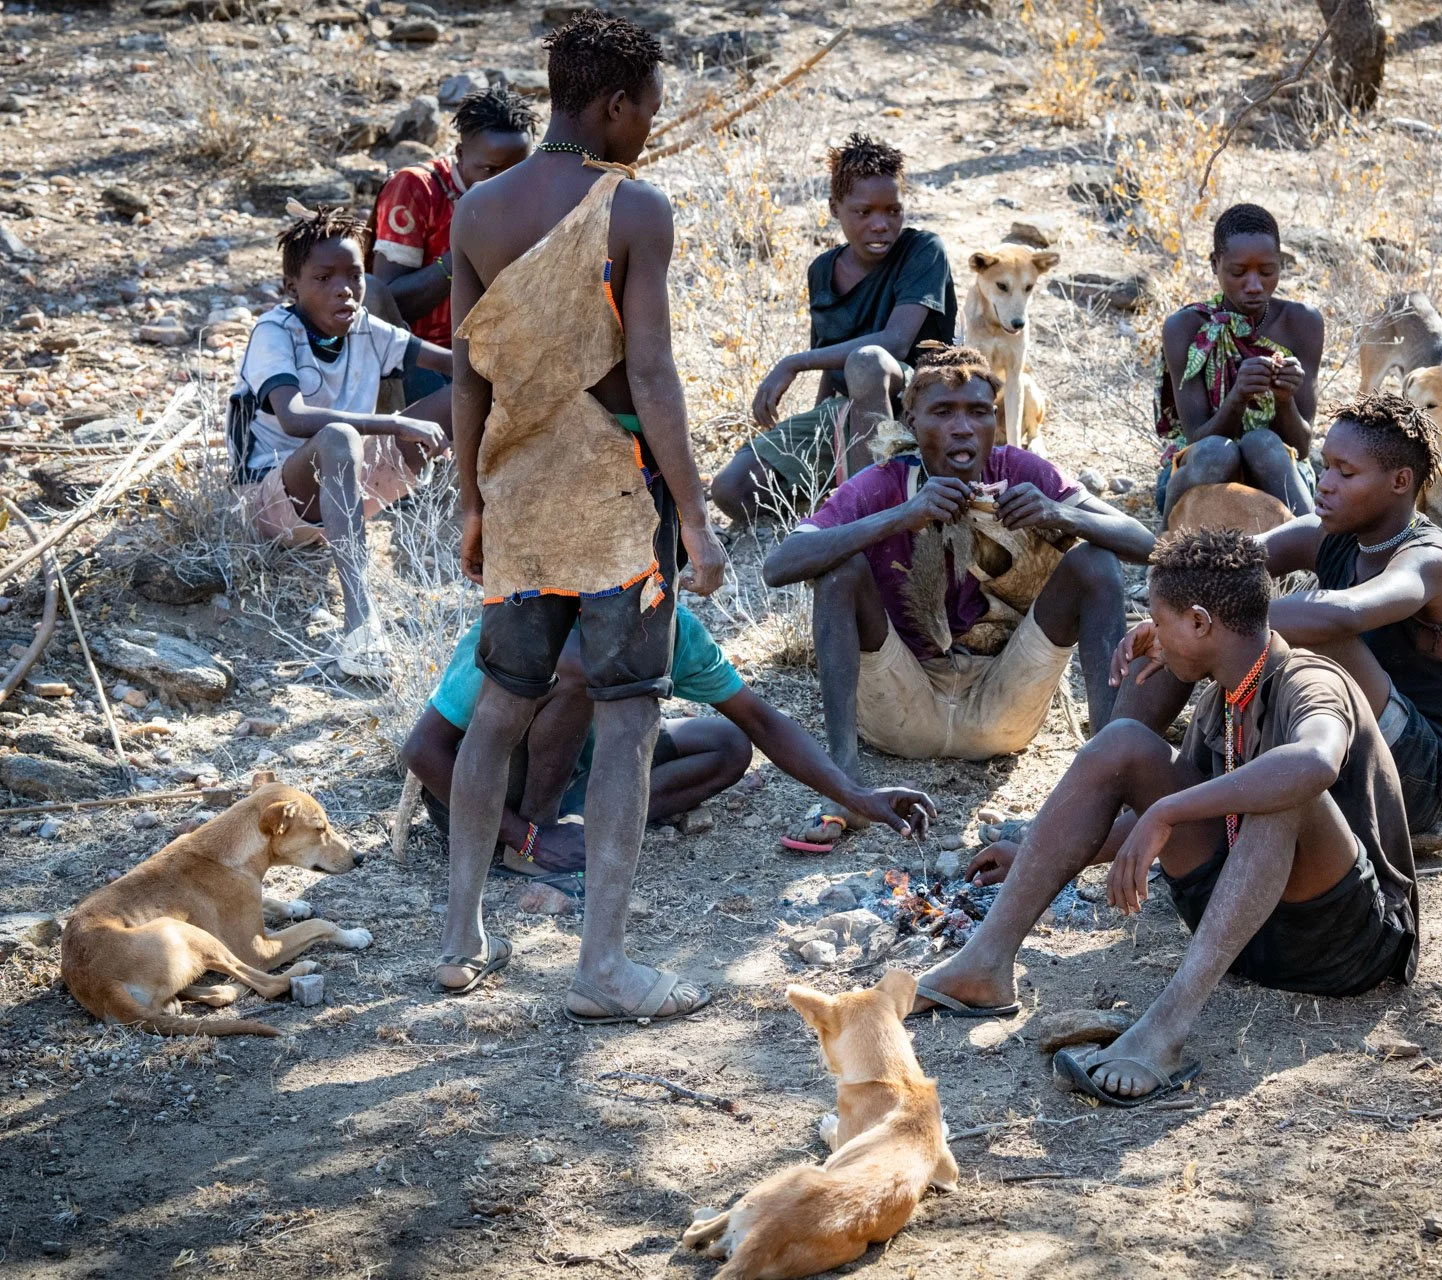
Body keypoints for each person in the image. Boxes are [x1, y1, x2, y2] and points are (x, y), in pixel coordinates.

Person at [441, 12, 729, 1024]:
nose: (650, 124)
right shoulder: (634, 210)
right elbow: (649, 369)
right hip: (613, 494)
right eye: (649, 106)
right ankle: (601, 963)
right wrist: (693, 515)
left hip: (518, 489)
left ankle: (462, 935)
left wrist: (473, 501)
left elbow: (469, 376)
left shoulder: (475, 211)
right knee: (630, 713)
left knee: (501, 702)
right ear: (613, 103)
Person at [914, 529, 1419, 1106]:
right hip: (1247, 931)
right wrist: (1032, 852)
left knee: (1285, 790)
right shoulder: (1220, 699)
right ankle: (984, 963)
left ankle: (1164, 1031)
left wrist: (1169, 808)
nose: (1148, 632)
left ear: (1202, 622)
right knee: (1124, 741)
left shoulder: (1308, 679)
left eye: (1159, 617)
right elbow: (1185, 818)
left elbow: (1314, 762)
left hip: (1345, 945)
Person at [762, 344, 1154, 847]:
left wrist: (1061, 515)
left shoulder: (1023, 472)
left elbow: (1145, 544)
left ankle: (1108, 782)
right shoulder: (885, 483)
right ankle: (847, 786)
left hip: (1001, 705)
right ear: (912, 422)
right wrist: (902, 517)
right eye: (943, 412)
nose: (963, 427)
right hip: (900, 706)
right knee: (838, 572)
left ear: (995, 422)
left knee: (1095, 561)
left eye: (978, 412)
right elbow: (779, 566)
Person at [1113, 392, 1442, 835]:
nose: (1325, 483)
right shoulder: (1327, 534)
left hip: (1414, 774)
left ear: (1400, 481)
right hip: (1328, 731)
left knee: (1300, 627)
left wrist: (1211, 627)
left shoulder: (1430, 559)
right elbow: (1217, 568)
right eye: (1325, 466)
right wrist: (1170, 625)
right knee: (1184, 624)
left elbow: (1343, 614)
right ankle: (1115, 779)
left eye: (1346, 473)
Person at [400, 603, 936, 891]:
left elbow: (760, 722)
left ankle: (594, 821)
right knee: (579, 670)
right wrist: (531, 838)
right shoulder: (526, 618)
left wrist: (856, 795)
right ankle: (531, 852)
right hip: (480, 797)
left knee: (726, 743)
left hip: (578, 769)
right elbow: (423, 751)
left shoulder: (666, 622)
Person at [225, 208, 452, 678]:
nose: (344, 289)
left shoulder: (366, 326)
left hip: (346, 489)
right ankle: (361, 623)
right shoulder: (274, 331)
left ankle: (483, 542)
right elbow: (293, 417)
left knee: (466, 394)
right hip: (272, 501)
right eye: (324, 278)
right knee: (338, 436)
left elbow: (453, 365)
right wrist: (394, 424)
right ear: (293, 288)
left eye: (354, 275)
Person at [709, 134, 958, 523]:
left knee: (868, 362)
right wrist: (818, 452)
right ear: (834, 209)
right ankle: (843, 497)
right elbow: (829, 359)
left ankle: (872, 519)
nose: (881, 225)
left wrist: (792, 363)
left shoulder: (924, 250)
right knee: (730, 489)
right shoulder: (823, 270)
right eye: (864, 212)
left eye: (893, 211)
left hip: (918, 403)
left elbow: (895, 342)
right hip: (849, 411)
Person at [1156, 203, 1323, 521]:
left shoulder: (1303, 322)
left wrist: (1284, 400)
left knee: (1261, 442)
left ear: (1280, 266)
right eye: (1237, 272)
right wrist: (1238, 397)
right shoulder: (1185, 327)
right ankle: (1164, 552)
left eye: (1267, 271)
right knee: (1220, 452)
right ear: (1214, 264)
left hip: (1276, 474)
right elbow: (1196, 439)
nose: (1254, 285)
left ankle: (1320, 556)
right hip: (1200, 472)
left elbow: (1300, 448)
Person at [370, 87, 536, 371]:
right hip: (421, 361)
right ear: (460, 153)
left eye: (519, 170)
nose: (506, 183)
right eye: (491, 169)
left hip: (496, 355)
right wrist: (462, 252)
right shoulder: (417, 188)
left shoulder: (531, 193)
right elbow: (386, 301)